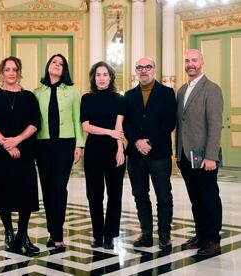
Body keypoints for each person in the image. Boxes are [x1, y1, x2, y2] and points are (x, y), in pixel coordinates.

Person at [0, 56, 41, 253]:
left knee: (25, 193)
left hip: (24, 151)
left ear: (20, 73)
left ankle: (23, 234)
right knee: (2, 192)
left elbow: (35, 124)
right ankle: (8, 233)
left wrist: (17, 140)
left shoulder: (29, 96)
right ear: (1, 73)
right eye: (7, 69)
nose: (11, 73)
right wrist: (6, 143)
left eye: (15, 69)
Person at [123, 57, 176, 250]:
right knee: (140, 195)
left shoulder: (167, 93)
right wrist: (137, 141)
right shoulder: (128, 95)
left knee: (163, 195)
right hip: (136, 154)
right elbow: (125, 123)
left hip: (159, 153)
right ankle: (146, 233)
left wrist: (149, 142)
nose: (143, 70)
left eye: (147, 67)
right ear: (136, 71)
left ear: (154, 69)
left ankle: (164, 235)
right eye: (139, 67)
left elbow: (169, 122)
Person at [34, 54, 84, 248]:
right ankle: (52, 231)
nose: (57, 65)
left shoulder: (72, 90)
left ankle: (58, 233)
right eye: (54, 62)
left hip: (65, 144)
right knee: (46, 190)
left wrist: (79, 144)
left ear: (64, 70)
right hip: (42, 145)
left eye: (61, 64)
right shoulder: (37, 92)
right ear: (48, 66)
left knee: (58, 188)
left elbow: (77, 118)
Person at [176, 49, 223, 256]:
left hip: (205, 156)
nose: (190, 64)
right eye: (187, 61)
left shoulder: (212, 89)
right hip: (186, 155)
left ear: (202, 62)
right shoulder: (181, 90)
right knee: (195, 199)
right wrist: (177, 153)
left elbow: (215, 125)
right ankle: (200, 235)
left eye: (194, 60)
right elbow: (181, 123)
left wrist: (211, 156)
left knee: (209, 197)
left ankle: (213, 239)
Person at [80, 61, 126, 249]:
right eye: (98, 75)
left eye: (105, 74)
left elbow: (119, 127)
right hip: (93, 151)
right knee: (94, 195)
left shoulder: (119, 99)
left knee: (115, 195)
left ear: (111, 77)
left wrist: (120, 149)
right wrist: (109, 133)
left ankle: (110, 236)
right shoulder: (87, 98)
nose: (101, 78)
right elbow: (86, 126)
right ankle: (98, 235)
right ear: (93, 78)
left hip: (114, 151)